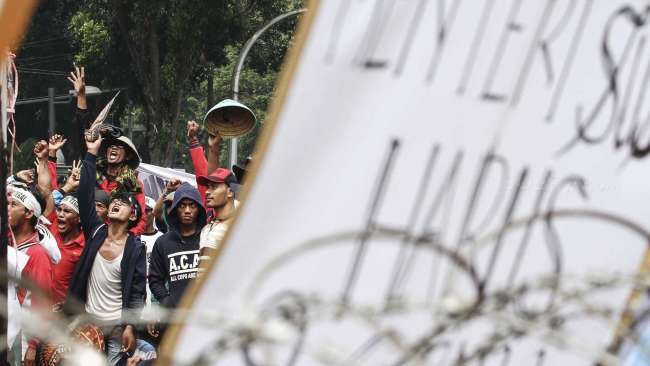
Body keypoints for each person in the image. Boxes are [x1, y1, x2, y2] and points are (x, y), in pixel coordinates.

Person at [66, 135, 153, 365]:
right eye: (114, 200)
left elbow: (137, 293)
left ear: (133, 214)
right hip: (86, 328)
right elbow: (84, 196)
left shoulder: (135, 248)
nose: (115, 202)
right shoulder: (95, 232)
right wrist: (91, 154)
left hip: (116, 331)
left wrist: (130, 327)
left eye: (123, 202)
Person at [148, 182, 206, 337]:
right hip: (173, 322)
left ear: (199, 209)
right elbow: (154, 278)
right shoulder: (163, 242)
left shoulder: (209, 238)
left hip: (204, 320)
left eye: (192, 206)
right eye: (182, 206)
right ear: (175, 210)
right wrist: (166, 300)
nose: (187, 210)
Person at [196, 168, 238, 270]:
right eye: (207, 187)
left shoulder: (238, 227)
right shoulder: (206, 228)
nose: (207, 192)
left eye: (214, 187)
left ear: (230, 192)